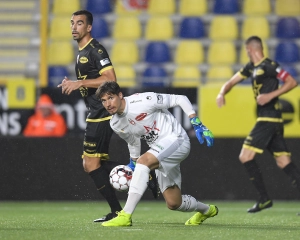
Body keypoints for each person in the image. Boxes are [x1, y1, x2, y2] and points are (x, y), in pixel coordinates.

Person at [57, 10, 159, 222]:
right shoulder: (81, 51)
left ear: (89, 27)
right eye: (72, 23)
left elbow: (110, 78)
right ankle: (142, 174)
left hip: (103, 113)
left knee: (91, 164)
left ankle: (120, 207)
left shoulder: (95, 49)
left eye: (79, 23)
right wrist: (76, 83)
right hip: (96, 113)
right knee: (91, 164)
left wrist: (80, 83)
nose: (74, 27)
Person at [94, 81, 218, 227]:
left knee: (144, 161)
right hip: (160, 150)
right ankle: (207, 210)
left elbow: (180, 99)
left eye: (110, 98)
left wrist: (196, 122)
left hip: (177, 140)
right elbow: (133, 141)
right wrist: (133, 163)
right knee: (173, 203)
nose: (108, 103)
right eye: (103, 100)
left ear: (120, 95)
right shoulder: (115, 123)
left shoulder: (143, 100)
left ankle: (125, 215)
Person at [216, 36, 300, 213]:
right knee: (284, 161)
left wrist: (270, 95)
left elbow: (292, 82)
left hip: (268, 119)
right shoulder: (250, 68)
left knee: (245, 156)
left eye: (246, 51)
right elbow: (231, 82)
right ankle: (264, 199)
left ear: (250, 49)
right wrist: (222, 93)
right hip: (272, 120)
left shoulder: (269, 65)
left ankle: (264, 199)